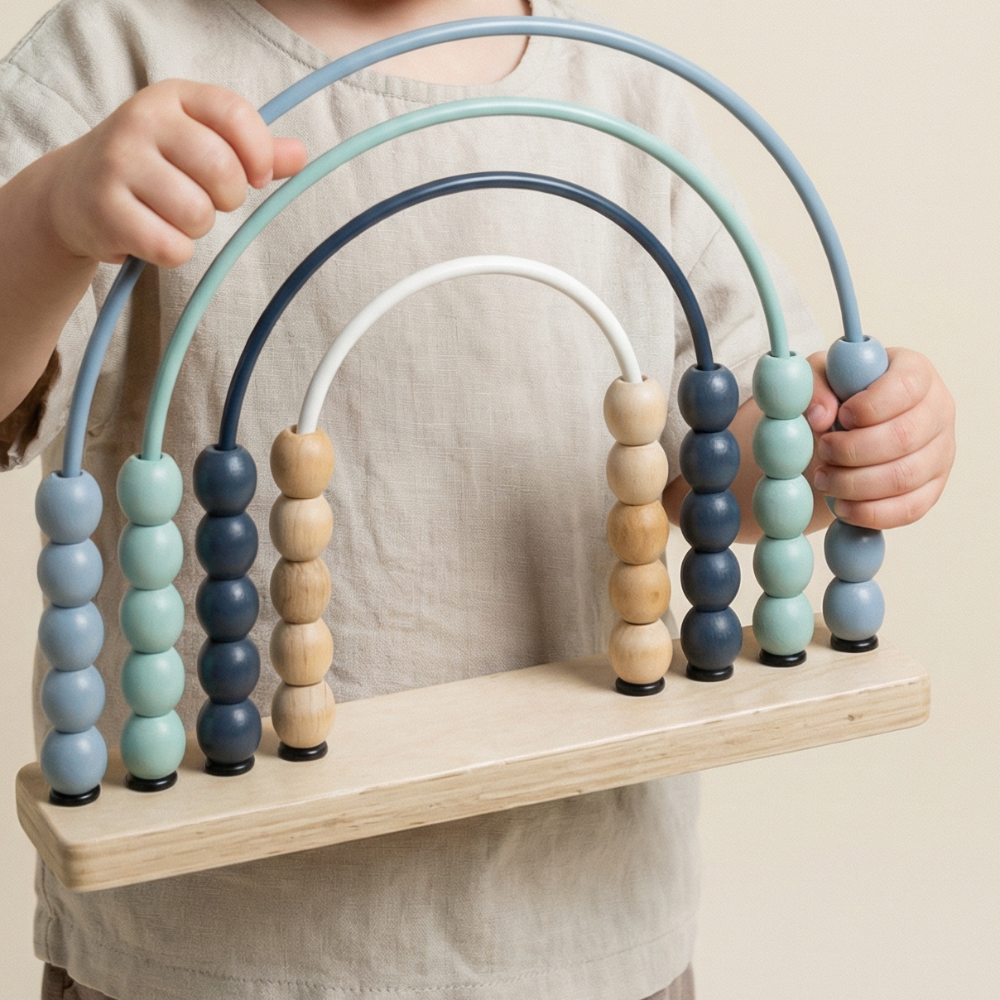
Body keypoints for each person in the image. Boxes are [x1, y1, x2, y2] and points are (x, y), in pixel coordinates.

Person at [0, 1, 955, 998]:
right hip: (202, 945)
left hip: (582, 927)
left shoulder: (624, 98)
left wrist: (852, 438)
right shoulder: (115, 55)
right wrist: (45, 215)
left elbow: (733, 457)